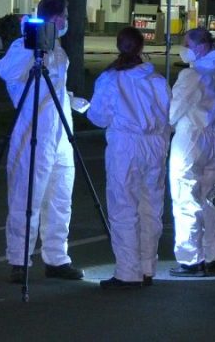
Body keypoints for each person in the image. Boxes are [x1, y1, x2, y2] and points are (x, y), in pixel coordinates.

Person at [0, 0, 84, 283]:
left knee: (60, 199)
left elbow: (54, 88)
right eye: (66, 15)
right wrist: (32, 48)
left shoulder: (57, 49)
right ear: (56, 17)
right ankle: (19, 260)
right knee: (26, 198)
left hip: (59, 133)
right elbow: (6, 72)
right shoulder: (24, 46)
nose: (67, 21)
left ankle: (57, 258)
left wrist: (72, 101)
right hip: (33, 132)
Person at [87, 26, 171, 290]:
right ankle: (147, 267)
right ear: (141, 47)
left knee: (124, 207)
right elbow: (170, 115)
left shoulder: (110, 79)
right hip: (154, 146)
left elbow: (98, 117)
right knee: (151, 208)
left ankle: (127, 272)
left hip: (125, 146)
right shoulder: (156, 80)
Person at [168, 27, 215, 277]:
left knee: (186, 197)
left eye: (186, 43)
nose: (183, 48)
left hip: (191, 138)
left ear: (199, 47)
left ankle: (190, 259)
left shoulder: (192, 75)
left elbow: (173, 111)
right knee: (207, 199)